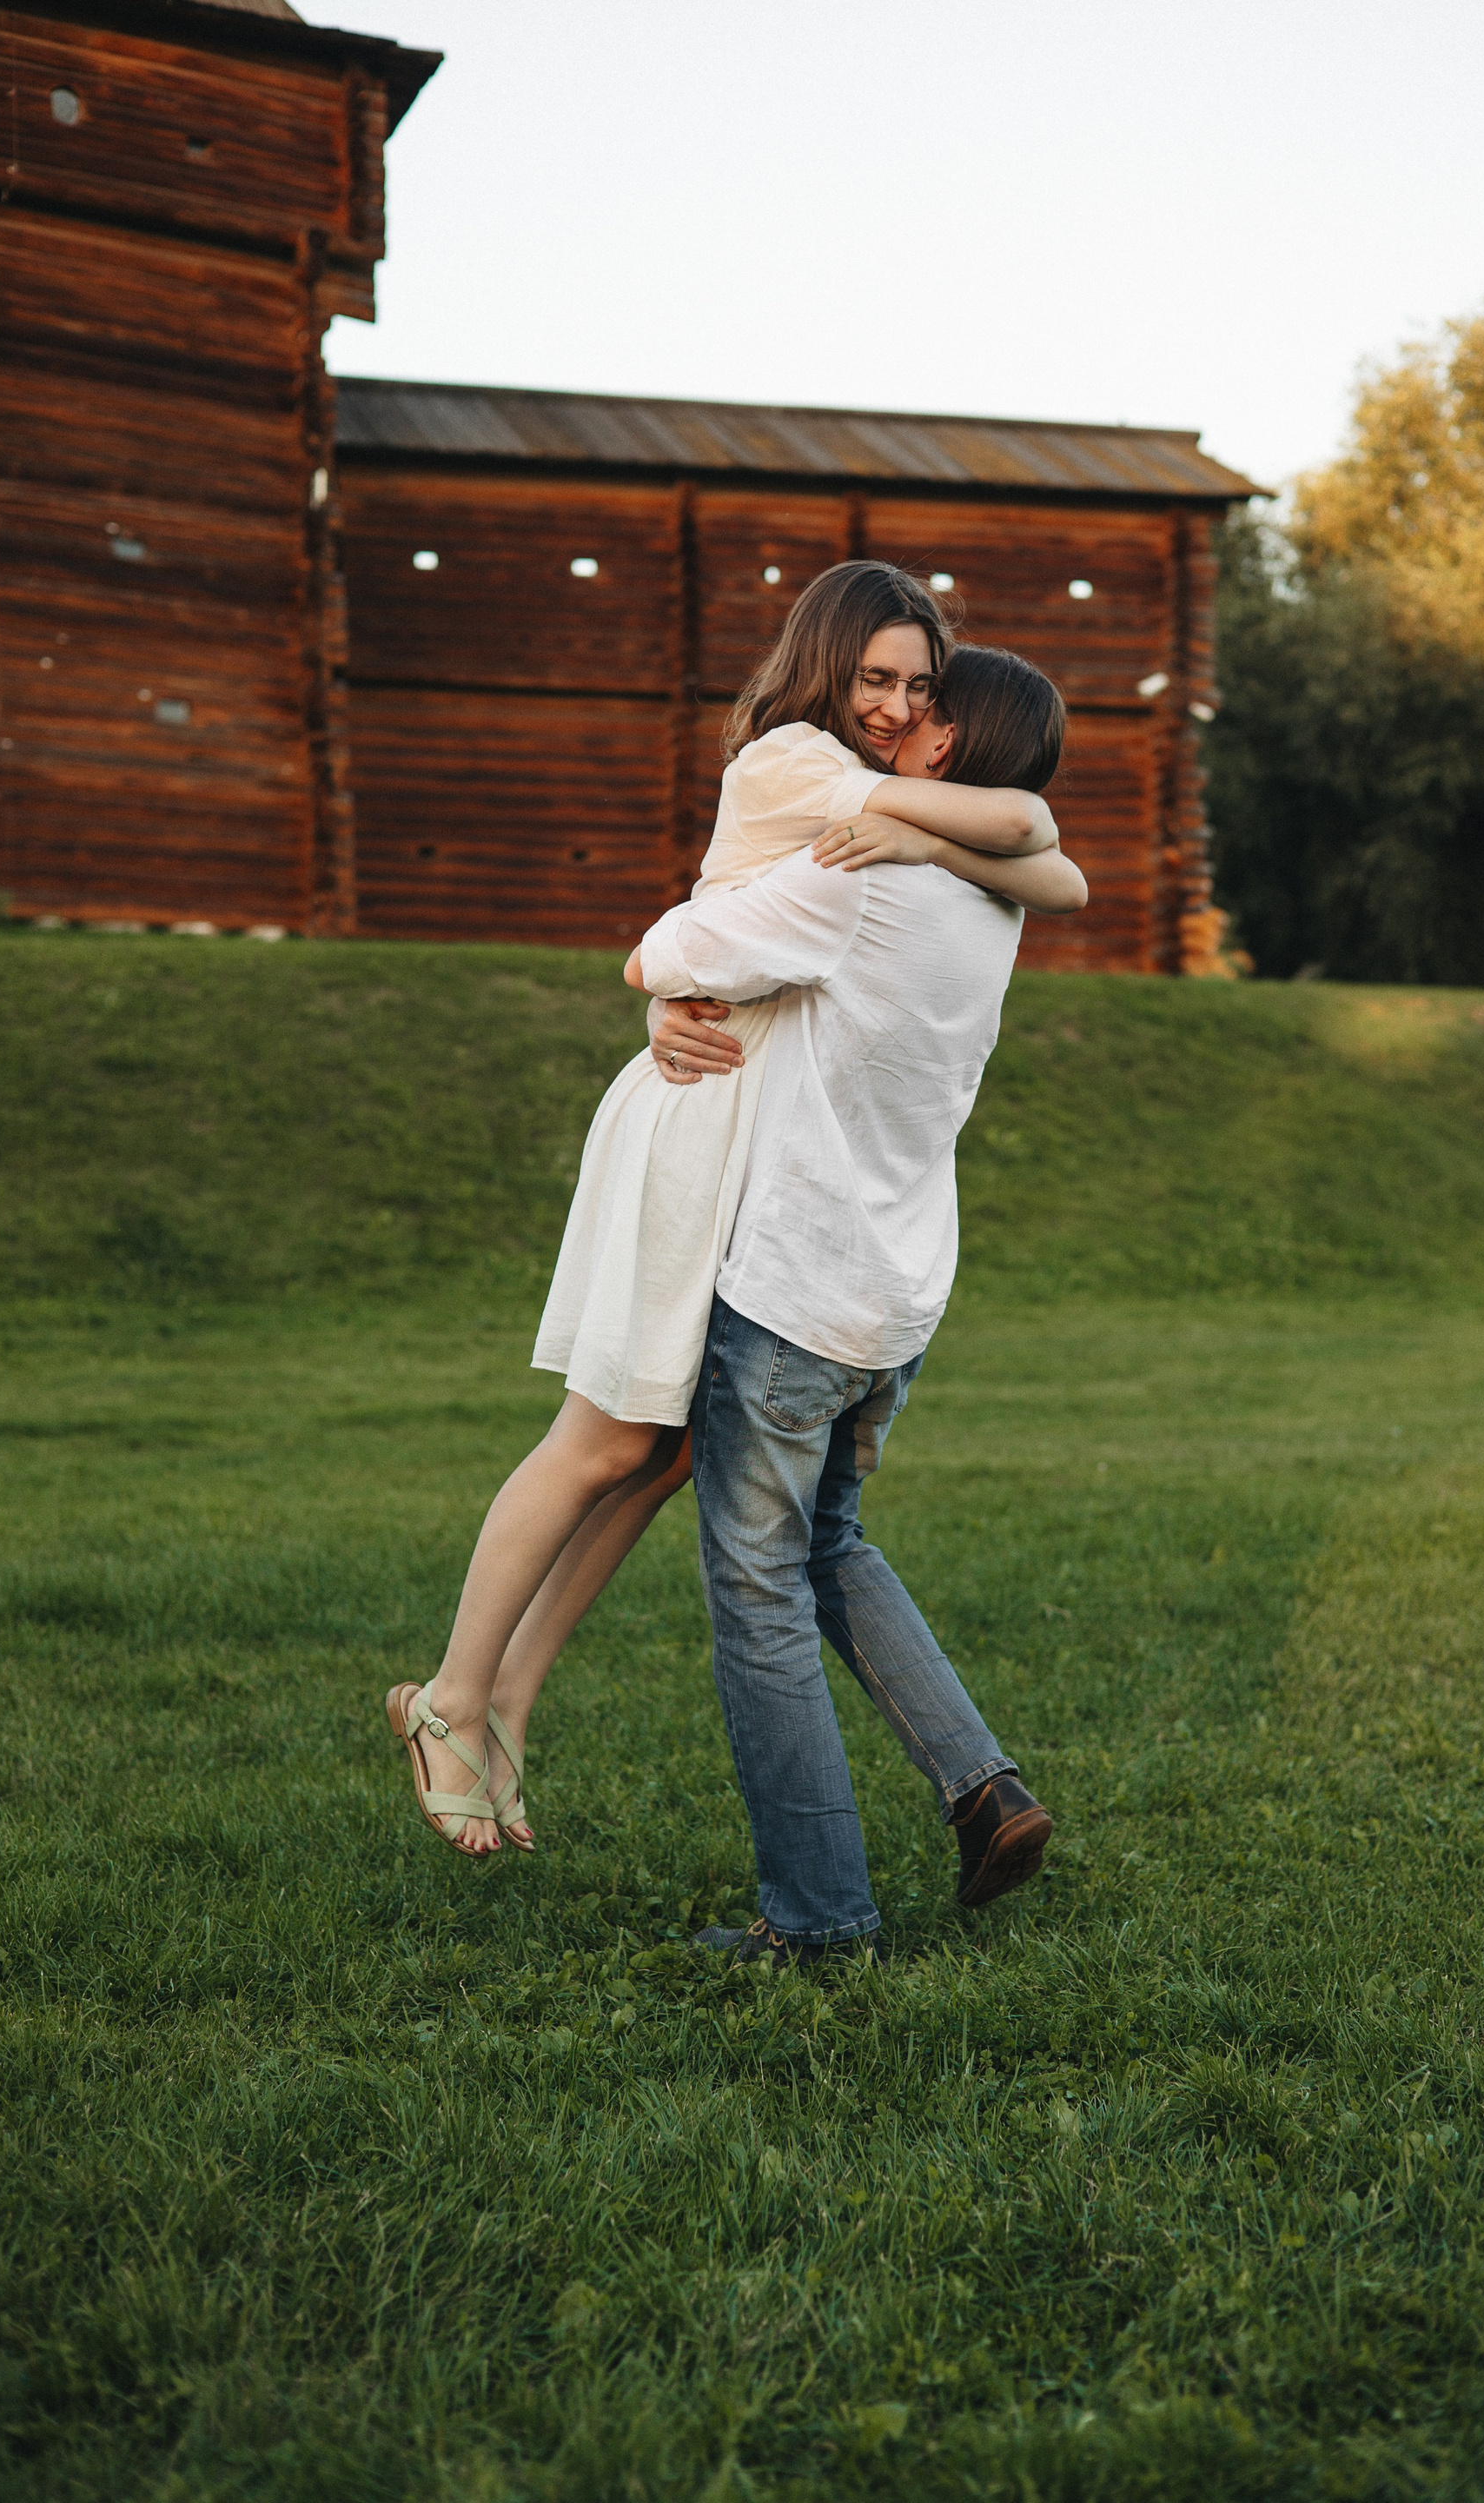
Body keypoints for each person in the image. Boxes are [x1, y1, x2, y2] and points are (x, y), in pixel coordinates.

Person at [384, 563, 1085, 1858]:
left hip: (752, 1127)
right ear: (826, 665)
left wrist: (929, 840)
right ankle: (454, 1698)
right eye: (875, 679)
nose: (895, 707)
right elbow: (670, 948)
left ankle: (510, 1702)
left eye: (919, 687)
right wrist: (667, 994)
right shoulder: (796, 768)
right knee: (608, 1435)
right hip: (700, 1116)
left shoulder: (904, 829)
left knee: (663, 1455)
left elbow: (1048, 859)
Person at [632, 644, 1071, 1965]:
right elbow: (1046, 859)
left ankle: (819, 1921)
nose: (900, 717)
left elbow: (673, 947)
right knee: (831, 1542)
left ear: (948, 749)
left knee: (759, 1589)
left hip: (796, 1295)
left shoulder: (860, 875)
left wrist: (664, 993)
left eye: (927, 704)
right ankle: (983, 1787)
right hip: (899, 1297)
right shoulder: (994, 902)